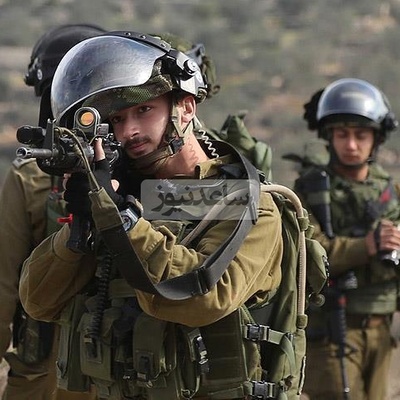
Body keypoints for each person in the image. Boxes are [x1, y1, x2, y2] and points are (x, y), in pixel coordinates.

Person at [18, 31, 286, 400]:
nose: (129, 131)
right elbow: (38, 301)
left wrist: (122, 219)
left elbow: (205, 298)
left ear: (186, 107)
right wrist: (82, 224)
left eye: (144, 110)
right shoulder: (127, 194)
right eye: (117, 119)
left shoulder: (248, 201)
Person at [0, 24, 106, 400]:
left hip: (43, 377)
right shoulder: (144, 168)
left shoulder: (29, 177)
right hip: (116, 374)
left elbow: (3, 285)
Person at [295, 78, 400, 400]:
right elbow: (310, 252)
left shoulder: (391, 193)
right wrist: (366, 246)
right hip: (332, 328)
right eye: (342, 135)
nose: (351, 144)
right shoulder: (310, 191)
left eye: (360, 135)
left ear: (376, 138)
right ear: (329, 137)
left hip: (382, 328)